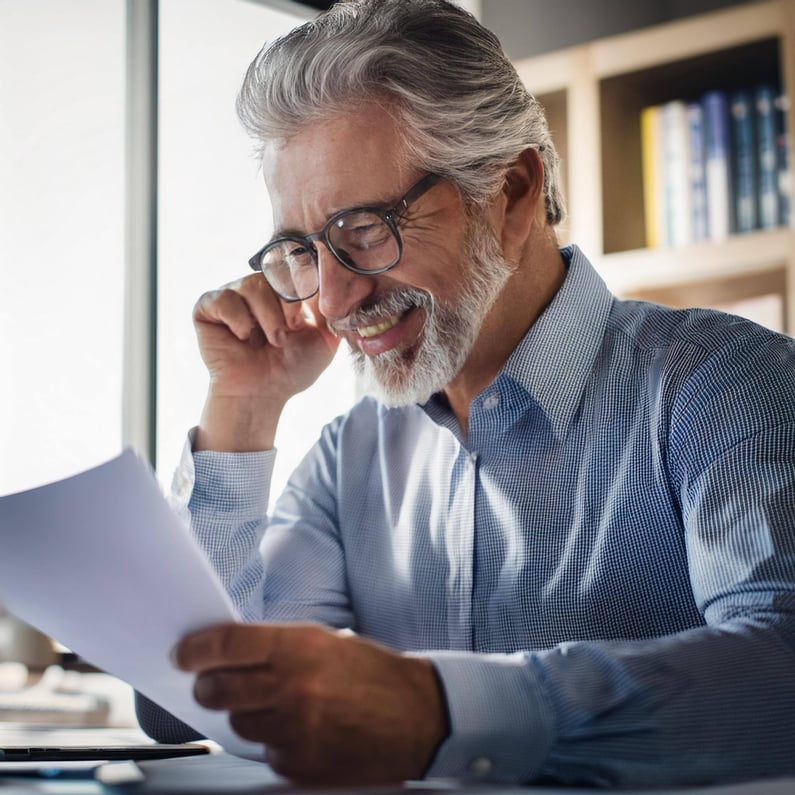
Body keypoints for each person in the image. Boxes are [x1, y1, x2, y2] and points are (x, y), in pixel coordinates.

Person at [137, 0, 795, 787]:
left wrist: (441, 711)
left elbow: (781, 660)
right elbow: (184, 703)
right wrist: (242, 411)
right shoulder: (351, 455)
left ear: (512, 192)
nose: (334, 301)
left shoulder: (725, 384)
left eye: (365, 230)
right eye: (303, 250)